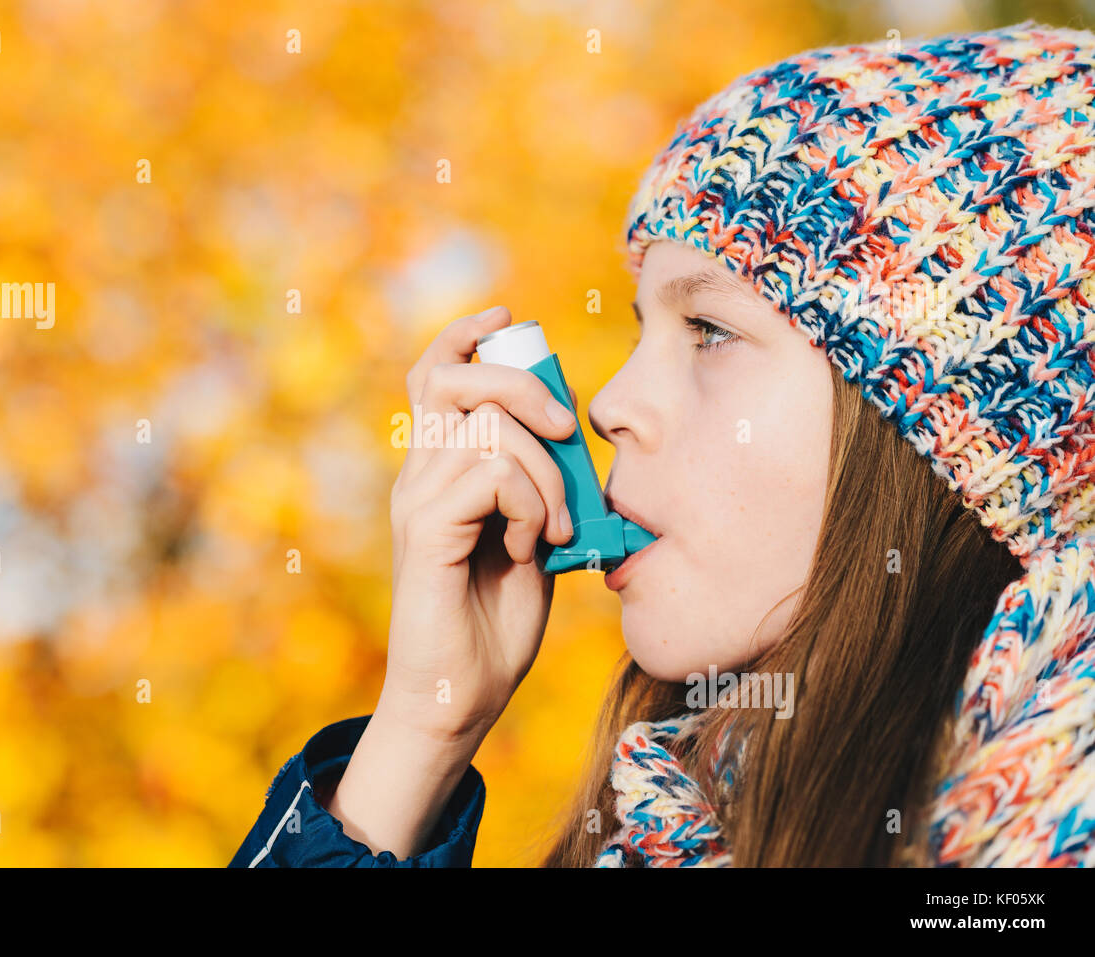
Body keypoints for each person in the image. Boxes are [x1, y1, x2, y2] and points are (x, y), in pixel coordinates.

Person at [231, 19, 1095, 867]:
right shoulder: (669, 824)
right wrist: (422, 727)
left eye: (709, 329)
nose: (610, 404)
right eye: (646, 326)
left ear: (966, 435)